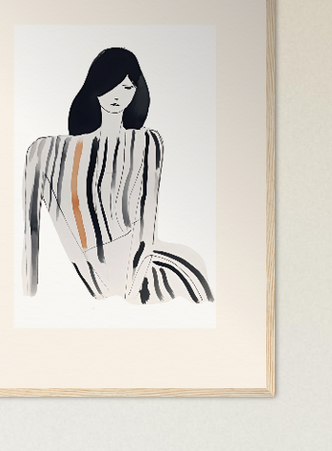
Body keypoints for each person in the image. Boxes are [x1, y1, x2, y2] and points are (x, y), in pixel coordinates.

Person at [22, 47, 214, 305]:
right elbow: (30, 233)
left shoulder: (147, 142)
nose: (118, 95)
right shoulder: (46, 151)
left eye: (127, 87)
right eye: (112, 85)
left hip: (137, 262)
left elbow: (147, 223)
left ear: (136, 91)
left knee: (192, 267)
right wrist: (29, 294)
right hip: (94, 266)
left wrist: (133, 280)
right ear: (96, 85)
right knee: (191, 272)